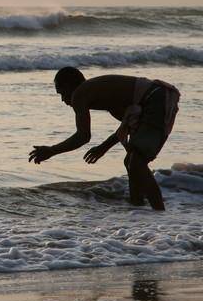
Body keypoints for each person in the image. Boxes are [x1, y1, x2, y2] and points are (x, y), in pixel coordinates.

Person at [28, 67, 180, 210]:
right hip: (157, 96)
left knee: (136, 163)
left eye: (61, 93)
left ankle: (158, 212)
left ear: (69, 86)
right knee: (131, 162)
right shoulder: (103, 95)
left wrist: (51, 151)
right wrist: (103, 147)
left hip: (156, 97)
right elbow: (126, 126)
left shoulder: (79, 94)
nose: (63, 99)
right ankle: (138, 211)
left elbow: (83, 136)